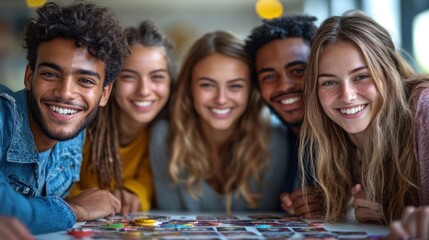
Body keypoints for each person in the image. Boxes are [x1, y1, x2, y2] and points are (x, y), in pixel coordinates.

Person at [0, 1, 128, 235]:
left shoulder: (73, 129)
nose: (65, 93)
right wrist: (77, 209)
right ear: (29, 76)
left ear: (104, 93)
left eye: (86, 80)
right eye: (50, 74)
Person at [300, 10, 429, 225]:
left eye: (361, 76)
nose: (347, 96)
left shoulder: (423, 107)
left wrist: (395, 217)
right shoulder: (337, 142)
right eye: (329, 82)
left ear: (389, 73)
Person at [150, 30, 290, 212]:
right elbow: (169, 220)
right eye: (207, 85)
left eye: (235, 86)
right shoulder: (164, 137)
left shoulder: (275, 140)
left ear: (250, 90)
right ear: (189, 88)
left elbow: (267, 222)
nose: (221, 99)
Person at [68, 20, 174, 216]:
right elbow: (59, 184)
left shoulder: (165, 134)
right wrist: (86, 202)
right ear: (111, 83)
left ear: (170, 83)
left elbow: (148, 182)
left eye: (157, 77)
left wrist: (133, 193)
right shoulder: (83, 126)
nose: (144, 90)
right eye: (129, 77)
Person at [244, 15, 322, 217]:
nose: (284, 86)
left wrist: (336, 203)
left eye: (298, 70)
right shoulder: (275, 141)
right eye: (269, 77)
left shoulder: (352, 134)